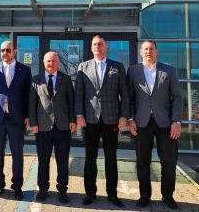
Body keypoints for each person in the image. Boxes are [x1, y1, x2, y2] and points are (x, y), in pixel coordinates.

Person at [75, 35, 130, 207]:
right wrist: (79, 114)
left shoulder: (118, 67)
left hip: (111, 119)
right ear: (91, 48)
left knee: (111, 158)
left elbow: (125, 93)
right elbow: (79, 94)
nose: (97, 47)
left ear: (106, 47)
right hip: (90, 120)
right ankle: (90, 194)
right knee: (90, 157)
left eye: (100, 44)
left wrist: (124, 115)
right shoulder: (83, 67)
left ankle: (112, 194)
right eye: (94, 44)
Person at [127, 40, 183, 210]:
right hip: (141, 123)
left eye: (151, 49)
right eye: (145, 49)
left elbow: (177, 97)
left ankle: (168, 196)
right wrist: (130, 119)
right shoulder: (133, 71)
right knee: (143, 161)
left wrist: (176, 121)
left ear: (156, 51)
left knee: (169, 162)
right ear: (140, 52)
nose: (148, 51)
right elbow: (129, 97)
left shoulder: (169, 70)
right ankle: (145, 196)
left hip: (165, 123)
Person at [0, 40, 31, 200]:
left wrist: (28, 116)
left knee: (17, 153)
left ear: (14, 51)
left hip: (16, 118)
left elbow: (28, 96)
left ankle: (17, 187)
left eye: (8, 50)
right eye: (2, 50)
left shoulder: (25, 70)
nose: (5, 53)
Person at [28, 52, 76, 204]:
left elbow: (71, 101)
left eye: (54, 61)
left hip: (63, 126)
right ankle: (43, 189)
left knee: (62, 161)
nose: (51, 63)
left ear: (58, 62)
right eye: (48, 61)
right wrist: (33, 123)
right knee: (43, 161)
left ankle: (62, 190)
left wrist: (73, 120)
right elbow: (32, 103)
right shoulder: (35, 80)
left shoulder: (66, 79)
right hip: (43, 127)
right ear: (44, 62)